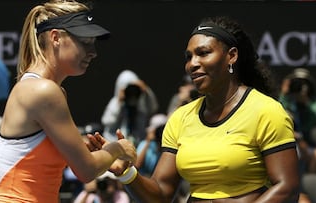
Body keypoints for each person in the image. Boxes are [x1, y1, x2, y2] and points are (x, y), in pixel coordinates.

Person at [107, 16, 300, 202]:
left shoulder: (266, 111)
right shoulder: (180, 118)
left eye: (203, 53)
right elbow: (161, 194)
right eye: (188, 57)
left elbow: (286, 188)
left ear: (231, 56)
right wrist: (127, 173)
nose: (193, 64)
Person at [0, 1, 136, 202]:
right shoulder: (44, 91)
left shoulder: (46, 90)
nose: (93, 52)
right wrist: (119, 148)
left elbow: (69, 167)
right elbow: (86, 171)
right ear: (56, 37)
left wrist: (101, 157)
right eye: (85, 41)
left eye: (93, 42)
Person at [279, 68, 316, 174]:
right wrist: (283, 94)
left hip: (305, 141)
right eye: (297, 83)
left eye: (303, 83)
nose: (300, 86)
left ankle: (308, 185)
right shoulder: (287, 101)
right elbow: (278, 111)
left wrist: (305, 101)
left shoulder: (315, 103)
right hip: (286, 139)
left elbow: (311, 120)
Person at [101, 69, 159, 145]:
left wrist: (146, 91)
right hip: (115, 144)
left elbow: (153, 108)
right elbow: (106, 121)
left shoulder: (140, 102)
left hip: (137, 143)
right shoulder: (115, 102)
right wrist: (119, 103)